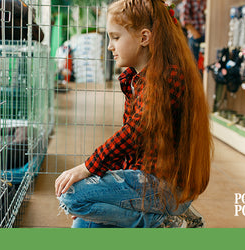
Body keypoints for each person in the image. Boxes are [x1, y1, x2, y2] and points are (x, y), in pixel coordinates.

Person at [54, 0, 213, 228]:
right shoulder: (135, 79)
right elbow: (132, 148)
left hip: (167, 189)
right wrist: (99, 196)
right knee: (83, 223)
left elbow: (134, 131)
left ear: (144, 38)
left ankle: (165, 222)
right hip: (146, 180)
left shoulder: (167, 77)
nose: (110, 46)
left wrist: (88, 168)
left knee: (71, 195)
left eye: (116, 37)